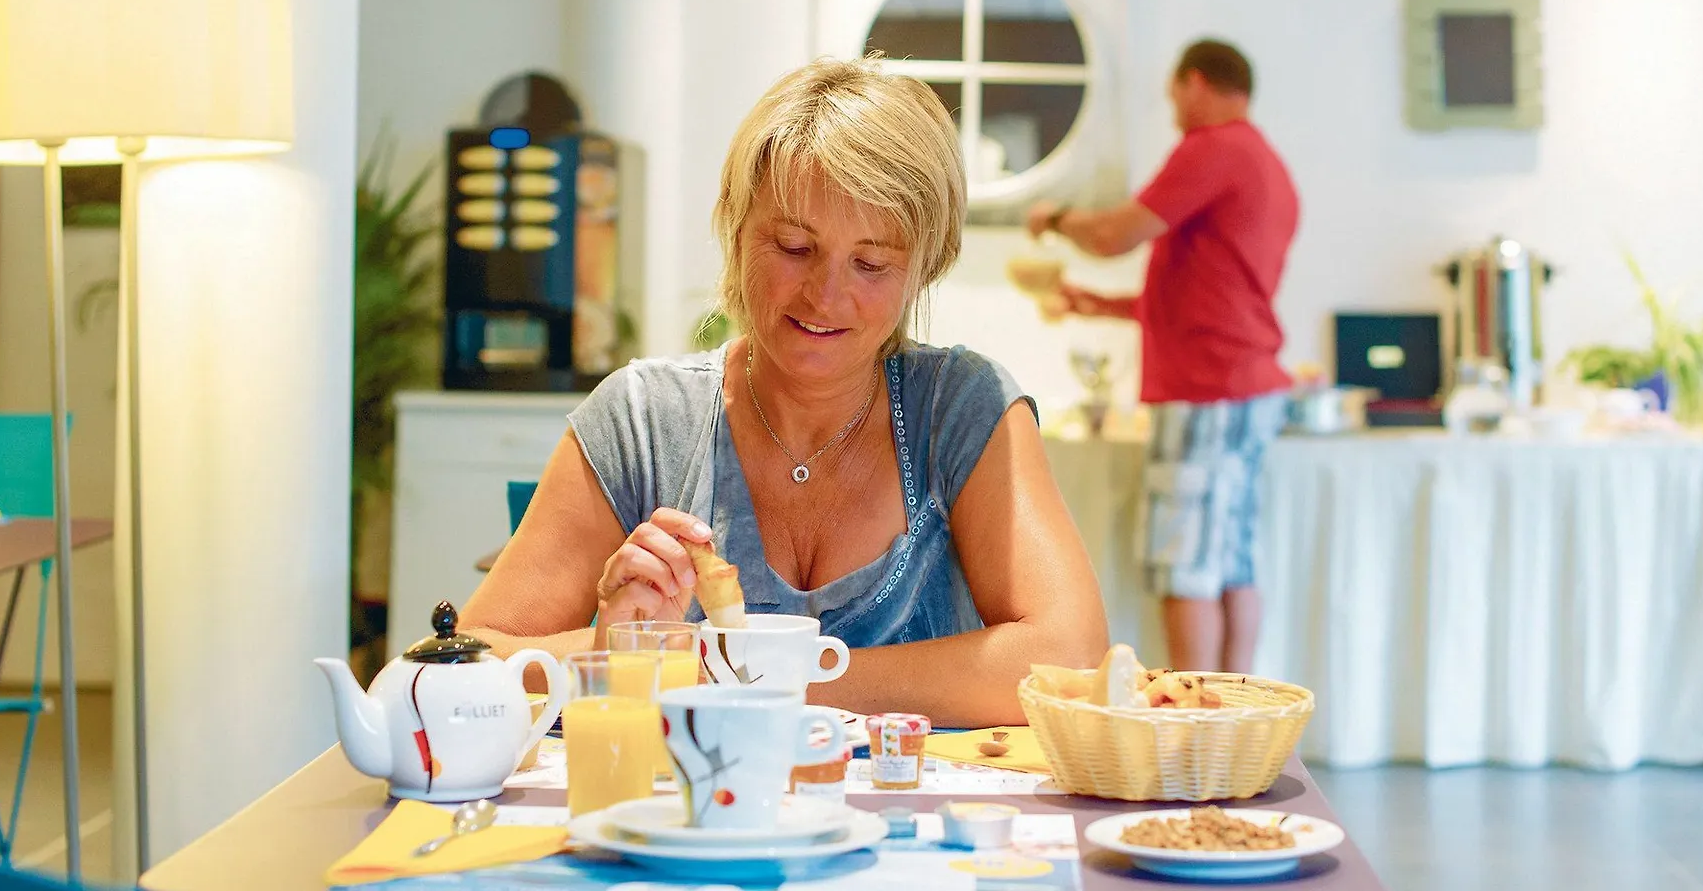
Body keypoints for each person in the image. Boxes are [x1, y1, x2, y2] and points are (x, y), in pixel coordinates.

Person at [463, 57, 1108, 725]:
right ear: (736, 231)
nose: (827, 295)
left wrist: (745, 676)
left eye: (871, 263)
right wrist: (611, 656)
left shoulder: (961, 407)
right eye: (795, 247)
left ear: (924, 267)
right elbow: (468, 659)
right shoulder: (643, 420)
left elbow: (1072, 658)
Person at [1026, 38, 1298, 674]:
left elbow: (1115, 234)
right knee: (1232, 560)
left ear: (1195, 82)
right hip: (1245, 386)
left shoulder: (1213, 148)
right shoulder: (1268, 165)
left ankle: (1194, 723)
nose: (1173, 107)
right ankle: (1234, 716)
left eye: (1174, 93)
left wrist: (1055, 217)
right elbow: (1212, 297)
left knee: (1187, 564)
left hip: (1206, 389)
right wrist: (1100, 305)